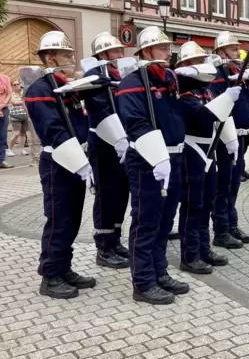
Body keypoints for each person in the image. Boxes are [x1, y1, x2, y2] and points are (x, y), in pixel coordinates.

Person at [117, 26, 187, 304]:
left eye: (168, 48)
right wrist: (158, 157)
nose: (168, 53)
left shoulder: (169, 78)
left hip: (173, 157)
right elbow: (135, 123)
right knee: (146, 222)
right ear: (146, 52)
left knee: (164, 221)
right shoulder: (132, 83)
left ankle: (160, 271)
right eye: (161, 48)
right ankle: (143, 282)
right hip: (148, 160)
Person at [25, 31, 97, 299]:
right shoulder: (40, 89)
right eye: (66, 54)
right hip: (58, 160)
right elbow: (53, 129)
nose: (70, 58)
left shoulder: (67, 87)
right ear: (50, 56)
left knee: (73, 218)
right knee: (58, 219)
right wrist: (79, 161)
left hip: (75, 157)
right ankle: (50, 274)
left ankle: (64, 267)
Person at [174, 41, 241, 274]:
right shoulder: (183, 91)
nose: (200, 65)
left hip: (209, 149)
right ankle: (190, 255)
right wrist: (227, 99)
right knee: (193, 204)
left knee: (207, 201)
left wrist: (230, 138)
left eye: (201, 61)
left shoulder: (207, 89)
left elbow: (218, 116)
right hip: (192, 150)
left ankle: (203, 248)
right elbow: (203, 115)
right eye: (194, 62)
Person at [83, 32, 131, 270]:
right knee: (106, 194)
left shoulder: (118, 74)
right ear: (103, 54)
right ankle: (103, 246)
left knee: (122, 193)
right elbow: (100, 109)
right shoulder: (94, 76)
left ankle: (115, 240)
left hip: (122, 141)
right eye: (115, 51)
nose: (120, 55)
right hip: (103, 142)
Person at [210, 32, 249, 249]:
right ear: (221, 52)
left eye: (238, 48)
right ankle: (221, 229)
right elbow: (219, 107)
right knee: (224, 184)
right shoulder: (217, 75)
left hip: (242, 135)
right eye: (233, 48)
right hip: (226, 137)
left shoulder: (238, 72)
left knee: (235, 182)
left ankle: (231, 223)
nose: (238, 52)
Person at [7, 80, 29, 156]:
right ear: (12, 86)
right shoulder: (10, 94)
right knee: (16, 133)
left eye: (18, 84)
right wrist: (23, 101)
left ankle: (22, 149)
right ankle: (9, 149)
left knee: (23, 133)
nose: (17, 86)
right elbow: (15, 102)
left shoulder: (23, 93)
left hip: (24, 115)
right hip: (15, 116)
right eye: (14, 84)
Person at [0, 63, 11, 169]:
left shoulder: (5, 78)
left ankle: (1, 160)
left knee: (2, 136)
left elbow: (9, 93)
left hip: (4, 109)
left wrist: (2, 106)